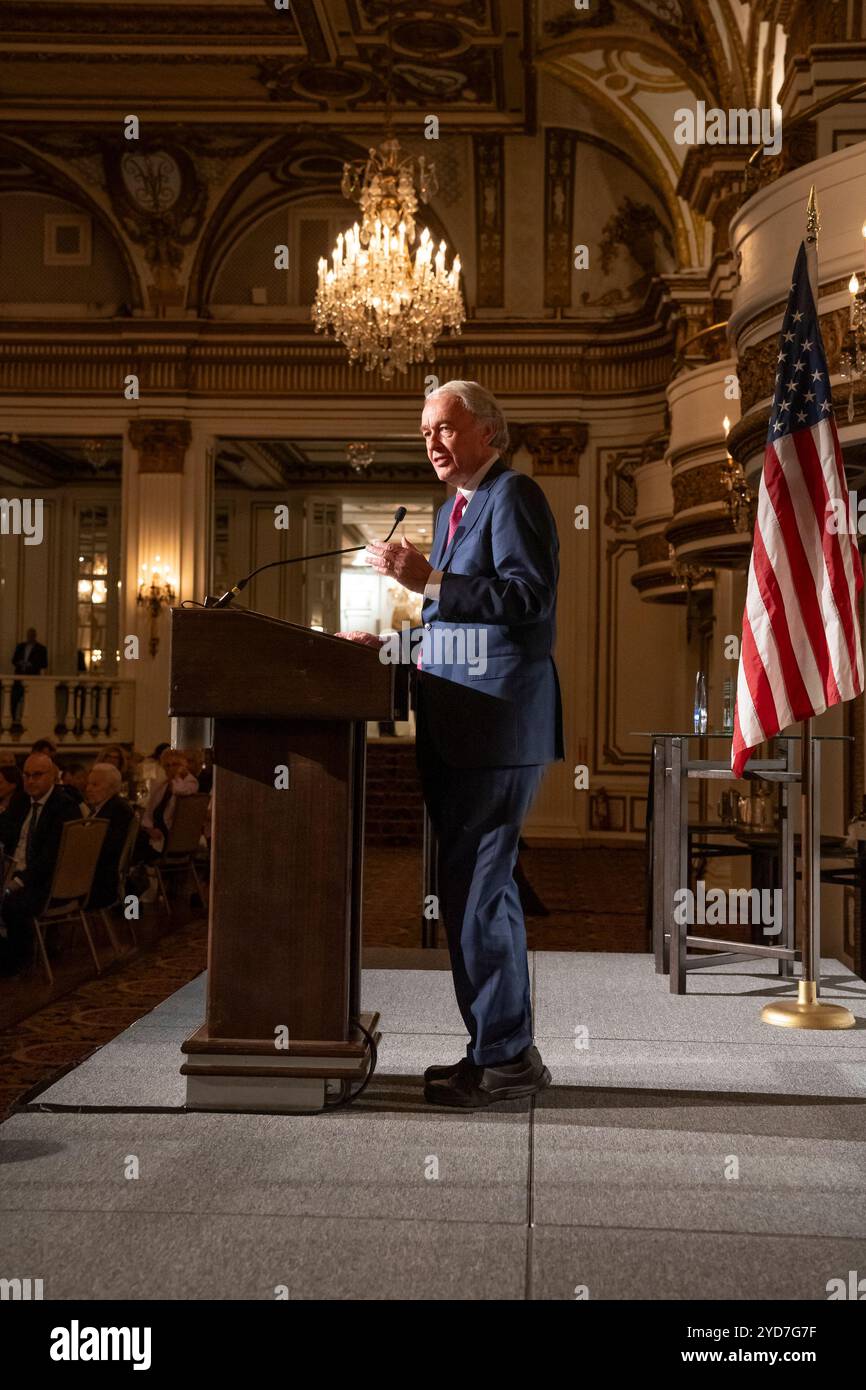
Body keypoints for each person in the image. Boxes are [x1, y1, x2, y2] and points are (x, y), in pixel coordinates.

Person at [341, 380, 563, 1108]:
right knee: (468, 896)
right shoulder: (454, 511)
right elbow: (458, 629)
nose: (432, 442)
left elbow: (528, 602)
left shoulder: (514, 495)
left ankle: (507, 1060)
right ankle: (493, 1053)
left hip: (497, 730)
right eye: (425, 432)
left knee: (480, 900)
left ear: (489, 433)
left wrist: (432, 579)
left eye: (444, 427)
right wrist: (390, 649)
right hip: (460, 728)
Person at [0, 752, 81, 975]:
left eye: (37, 775)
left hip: (46, 882)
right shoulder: (22, 801)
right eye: (26, 775)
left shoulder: (64, 806)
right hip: (13, 871)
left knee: (10, 903)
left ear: (53, 776)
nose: (30, 780)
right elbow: (5, 830)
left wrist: (16, 881)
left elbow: (50, 859)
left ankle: (16, 963)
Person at [84, 763, 136, 910]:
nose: (88, 789)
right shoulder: (103, 808)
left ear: (112, 787)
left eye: (95, 785)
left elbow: (108, 850)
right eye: (88, 784)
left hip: (100, 882)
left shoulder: (117, 810)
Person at [140, 749, 198, 858]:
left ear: (183, 765)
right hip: (156, 832)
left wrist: (180, 776)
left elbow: (180, 790)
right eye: (167, 765)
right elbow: (149, 811)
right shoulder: (162, 785)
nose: (171, 768)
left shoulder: (190, 782)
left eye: (175, 764)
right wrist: (149, 829)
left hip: (173, 835)